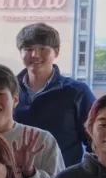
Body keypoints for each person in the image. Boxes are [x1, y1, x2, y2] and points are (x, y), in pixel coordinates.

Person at [14, 22, 96, 166]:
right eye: (28, 49)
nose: (35, 55)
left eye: (43, 49)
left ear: (56, 52)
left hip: (63, 177)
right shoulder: (8, 90)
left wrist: (85, 174)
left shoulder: (77, 92)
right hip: (15, 176)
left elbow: (95, 141)